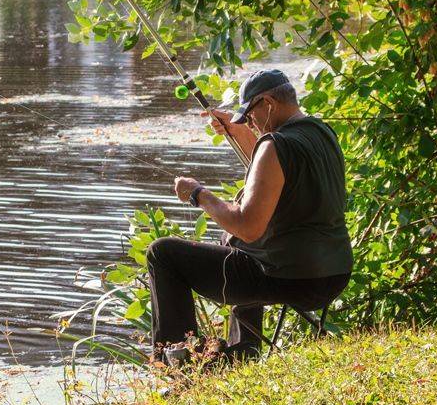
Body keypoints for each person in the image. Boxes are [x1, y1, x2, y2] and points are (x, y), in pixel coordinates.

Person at [148, 69, 352, 364]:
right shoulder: (321, 132)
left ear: (267, 103)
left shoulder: (274, 144)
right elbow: (279, 178)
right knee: (231, 242)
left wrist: (198, 194)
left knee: (163, 253)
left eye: (250, 115)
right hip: (333, 273)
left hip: (292, 278)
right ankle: (243, 350)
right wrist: (242, 133)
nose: (250, 123)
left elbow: (248, 226)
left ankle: (180, 362)